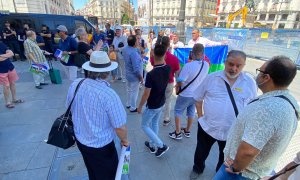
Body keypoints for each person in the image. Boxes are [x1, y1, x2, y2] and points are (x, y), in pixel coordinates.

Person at [214, 56, 299, 180]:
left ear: (266, 78)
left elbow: (248, 151)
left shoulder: (268, 108)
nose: (258, 75)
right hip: (257, 170)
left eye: (260, 71)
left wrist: (235, 168)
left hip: (240, 174)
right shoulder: (287, 102)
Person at [189, 50, 257, 180]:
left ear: (244, 65)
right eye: (230, 64)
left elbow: (252, 107)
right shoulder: (211, 78)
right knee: (201, 151)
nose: (233, 68)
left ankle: (218, 174)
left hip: (232, 132)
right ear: (225, 62)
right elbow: (198, 98)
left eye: (238, 65)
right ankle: (197, 168)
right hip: (207, 127)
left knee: (225, 157)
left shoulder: (250, 83)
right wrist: (201, 117)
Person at [66, 51, 128, 180]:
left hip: (81, 139)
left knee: (92, 170)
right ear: (107, 73)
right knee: (109, 175)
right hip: (101, 146)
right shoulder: (109, 95)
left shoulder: (76, 84)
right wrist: (124, 140)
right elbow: (120, 127)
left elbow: (69, 108)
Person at [168, 43, 209, 140]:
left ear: (192, 53)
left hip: (186, 94)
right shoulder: (206, 65)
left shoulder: (188, 65)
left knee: (178, 111)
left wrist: (177, 87)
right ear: (203, 53)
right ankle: (187, 130)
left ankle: (177, 133)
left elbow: (180, 81)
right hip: (197, 94)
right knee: (191, 112)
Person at [137, 44, 171, 157]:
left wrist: (140, 106)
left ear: (152, 55)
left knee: (144, 125)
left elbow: (146, 93)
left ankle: (161, 146)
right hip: (161, 102)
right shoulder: (167, 68)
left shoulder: (151, 74)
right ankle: (152, 144)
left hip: (152, 105)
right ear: (165, 55)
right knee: (155, 123)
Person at [150, 36, 180, 126]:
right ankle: (166, 118)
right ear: (168, 45)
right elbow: (177, 73)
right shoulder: (174, 58)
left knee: (156, 99)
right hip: (169, 82)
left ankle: (155, 117)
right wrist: (177, 84)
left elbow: (152, 64)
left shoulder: (155, 56)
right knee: (168, 100)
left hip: (157, 81)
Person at [122, 35, 143, 112]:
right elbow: (136, 69)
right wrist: (141, 77)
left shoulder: (125, 49)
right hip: (134, 76)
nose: (138, 41)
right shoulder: (133, 53)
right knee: (134, 91)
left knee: (129, 90)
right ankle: (133, 107)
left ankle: (128, 103)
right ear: (134, 43)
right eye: (137, 40)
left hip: (127, 73)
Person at [0, 41, 24, 108]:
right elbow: (0, 59)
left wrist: (2, 55)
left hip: (10, 67)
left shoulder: (1, 43)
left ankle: (14, 99)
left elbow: (11, 53)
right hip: (1, 70)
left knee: (12, 83)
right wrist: (7, 56)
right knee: (6, 86)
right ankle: (7, 102)